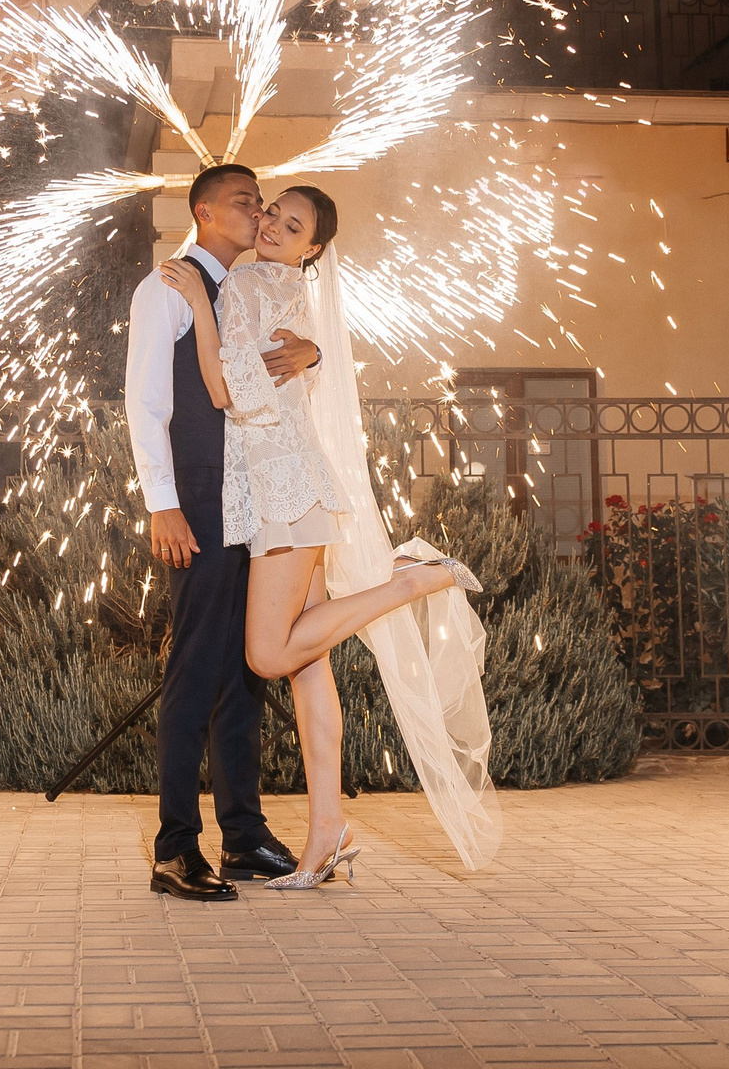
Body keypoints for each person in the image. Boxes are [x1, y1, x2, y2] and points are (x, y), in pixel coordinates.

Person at [158, 182, 500, 890]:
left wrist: (198, 303)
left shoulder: (252, 282)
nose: (275, 225)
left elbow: (230, 392)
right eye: (272, 214)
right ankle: (326, 829)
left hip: (282, 492)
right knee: (311, 666)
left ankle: (411, 580)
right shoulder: (286, 290)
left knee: (267, 651)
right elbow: (274, 376)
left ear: (313, 247)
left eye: (293, 225)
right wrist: (306, 353)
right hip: (290, 487)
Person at [124, 162, 317, 900]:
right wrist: (161, 501)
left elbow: (276, 365)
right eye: (243, 201)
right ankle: (175, 847)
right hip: (199, 498)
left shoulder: (246, 287)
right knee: (197, 666)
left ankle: (243, 835)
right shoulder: (167, 287)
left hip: (253, 500)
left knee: (245, 671)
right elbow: (147, 403)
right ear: (202, 210)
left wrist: (315, 350)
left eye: (260, 203)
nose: (256, 211)